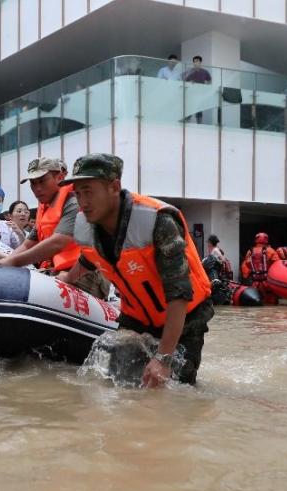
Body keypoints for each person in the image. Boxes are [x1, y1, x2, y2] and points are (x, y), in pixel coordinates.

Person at [59, 153, 213, 387]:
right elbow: (89, 260)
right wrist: (65, 280)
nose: (83, 202)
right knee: (116, 384)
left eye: (89, 191)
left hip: (185, 317)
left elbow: (180, 293)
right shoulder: (86, 224)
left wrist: (163, 357)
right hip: (136, 318)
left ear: (114, 186)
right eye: (77, 193)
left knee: (175, 392)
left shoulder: (158, 221)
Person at [0, 157, 109, 299]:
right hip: (61, 270)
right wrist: (3, 264)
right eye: (33, 183)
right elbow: (27, 244)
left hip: (88, 273)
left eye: (42, 181)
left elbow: (58, 242)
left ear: (59, 177)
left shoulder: (73, 202)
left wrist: (13, 262)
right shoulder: (45, 208)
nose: (37, 188)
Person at [240, 233, 279, 304]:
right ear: (266, 240)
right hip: (268, 283)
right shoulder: (271, 251)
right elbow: (277, 267)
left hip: (255, 283)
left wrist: (247, 276)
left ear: (256, 240)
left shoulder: (250, 252)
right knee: (271, 303)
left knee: (256, 302)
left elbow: (245, 269)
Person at [183, 55, 212, 124]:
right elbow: (184, 80)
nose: (195, 63)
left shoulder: (205, 72)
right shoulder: (190, 71)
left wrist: (205, 86)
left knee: (199, 109)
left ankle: (199, 125)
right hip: (191, 93)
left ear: (200, 62)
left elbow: (209, 81)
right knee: (190, 109)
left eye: (197, 61)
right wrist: (189, 83)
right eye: (194, 62)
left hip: (200, 93)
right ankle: (186, 124)